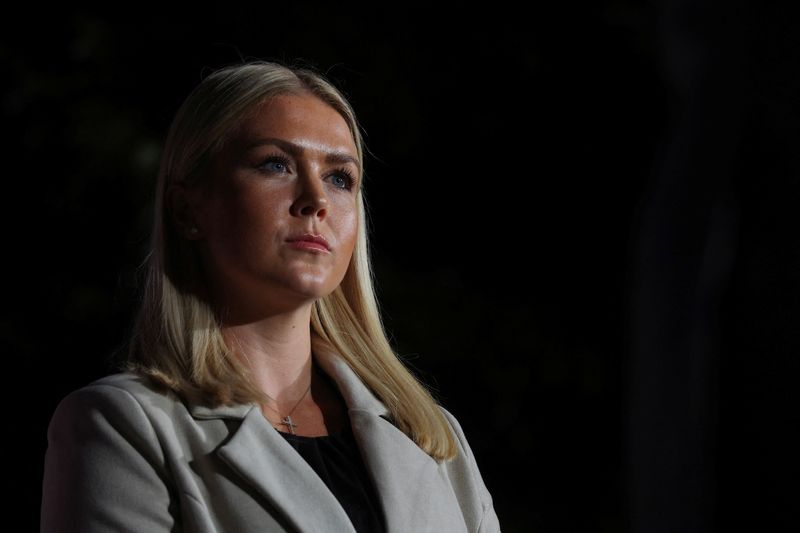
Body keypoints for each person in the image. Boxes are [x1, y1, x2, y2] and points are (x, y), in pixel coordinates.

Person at [40, 59, 501, 533]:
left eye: (340, 177)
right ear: (186, 210)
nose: (316, 199)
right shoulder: (122, 426)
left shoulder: (433, 437)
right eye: (275, 164)